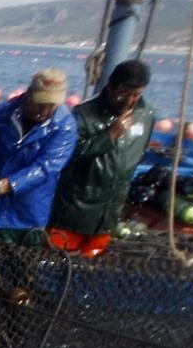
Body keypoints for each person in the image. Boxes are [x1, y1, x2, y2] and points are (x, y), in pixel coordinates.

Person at [48, 59, 157, 257]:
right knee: (56, 258)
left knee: (92, 262)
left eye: (136, 94)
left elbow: (139, 151)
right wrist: (109, 136)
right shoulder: (84, 114)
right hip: (75, 207)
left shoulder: (146, 114)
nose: (129, 100)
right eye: (125, 93)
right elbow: (68, 153)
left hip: (110, 209)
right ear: (112, 86)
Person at [0, 68, 78, 246]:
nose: (44, 110)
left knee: (21, 267)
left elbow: (46, 167)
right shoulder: (2, 113)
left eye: (51, 105)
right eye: (40, 103)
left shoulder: (65, 127)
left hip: (26, 215)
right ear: (30, 93)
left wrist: (5, 186)